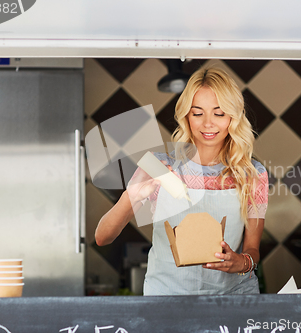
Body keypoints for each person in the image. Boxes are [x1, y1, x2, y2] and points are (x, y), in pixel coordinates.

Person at [95, 67, 269, 295]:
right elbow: (103, 237)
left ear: (233, 117)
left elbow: (252, 249)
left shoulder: (252, 174)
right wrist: (133, 195)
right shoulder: (158, 167)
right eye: (198, 113)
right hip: (167, 301)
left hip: (233, 301)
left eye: (219, 113)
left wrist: (242, 263)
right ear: (186, 115)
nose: (208, 123)